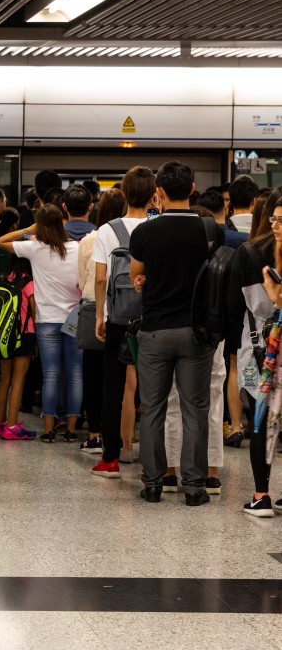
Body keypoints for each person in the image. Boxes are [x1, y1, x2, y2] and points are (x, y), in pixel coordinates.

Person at [130, 160, 221, 506]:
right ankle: (195, 487)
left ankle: (153, 483)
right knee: (194, 409)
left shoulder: (145, 230)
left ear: (160, 193)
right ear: (193, 189)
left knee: (152, 407)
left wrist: (145, 279)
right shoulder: (209, 229)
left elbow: (137, 277)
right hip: (196, 333)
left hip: (154, 331)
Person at [0, 204, 82, 443]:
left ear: (41, 225)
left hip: (46, 320)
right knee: (75, 373)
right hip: (74, 317)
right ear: (62, 222)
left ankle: (48, 429)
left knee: (50, 373)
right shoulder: (76, 247)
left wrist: (28, 230)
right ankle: (72, 428)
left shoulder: (35, 247)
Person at [91, 168, 158, 477]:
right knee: (154, 390)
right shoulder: (158, 227)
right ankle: (153, 463)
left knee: (113, 388)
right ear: (153, 193)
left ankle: (110, 459)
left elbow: (102, 277)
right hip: (154, 318)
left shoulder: (108, 230)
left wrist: (100, 316)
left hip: (118, 318)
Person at [230, 193, 282, 516]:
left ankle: (261, 494)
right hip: (263, 348)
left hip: (256, 349)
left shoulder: (248, 253)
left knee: (259, 418)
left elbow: (233, 308)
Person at [76, 189, 126, 454]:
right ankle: (122, 436)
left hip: (96, 307)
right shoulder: (140, 232)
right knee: (124, 378)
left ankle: (94, 432)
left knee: (93, 375)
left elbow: (83, 280)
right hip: (128, 310)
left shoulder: (90, 239)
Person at [0, 214, 37, 441]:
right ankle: (12, 426)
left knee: (5, 379)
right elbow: (35, 311)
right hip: (23, 335)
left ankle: (0, 423)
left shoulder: (7, 279)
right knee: (19, 380)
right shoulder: (29, 282)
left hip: (3, 334)